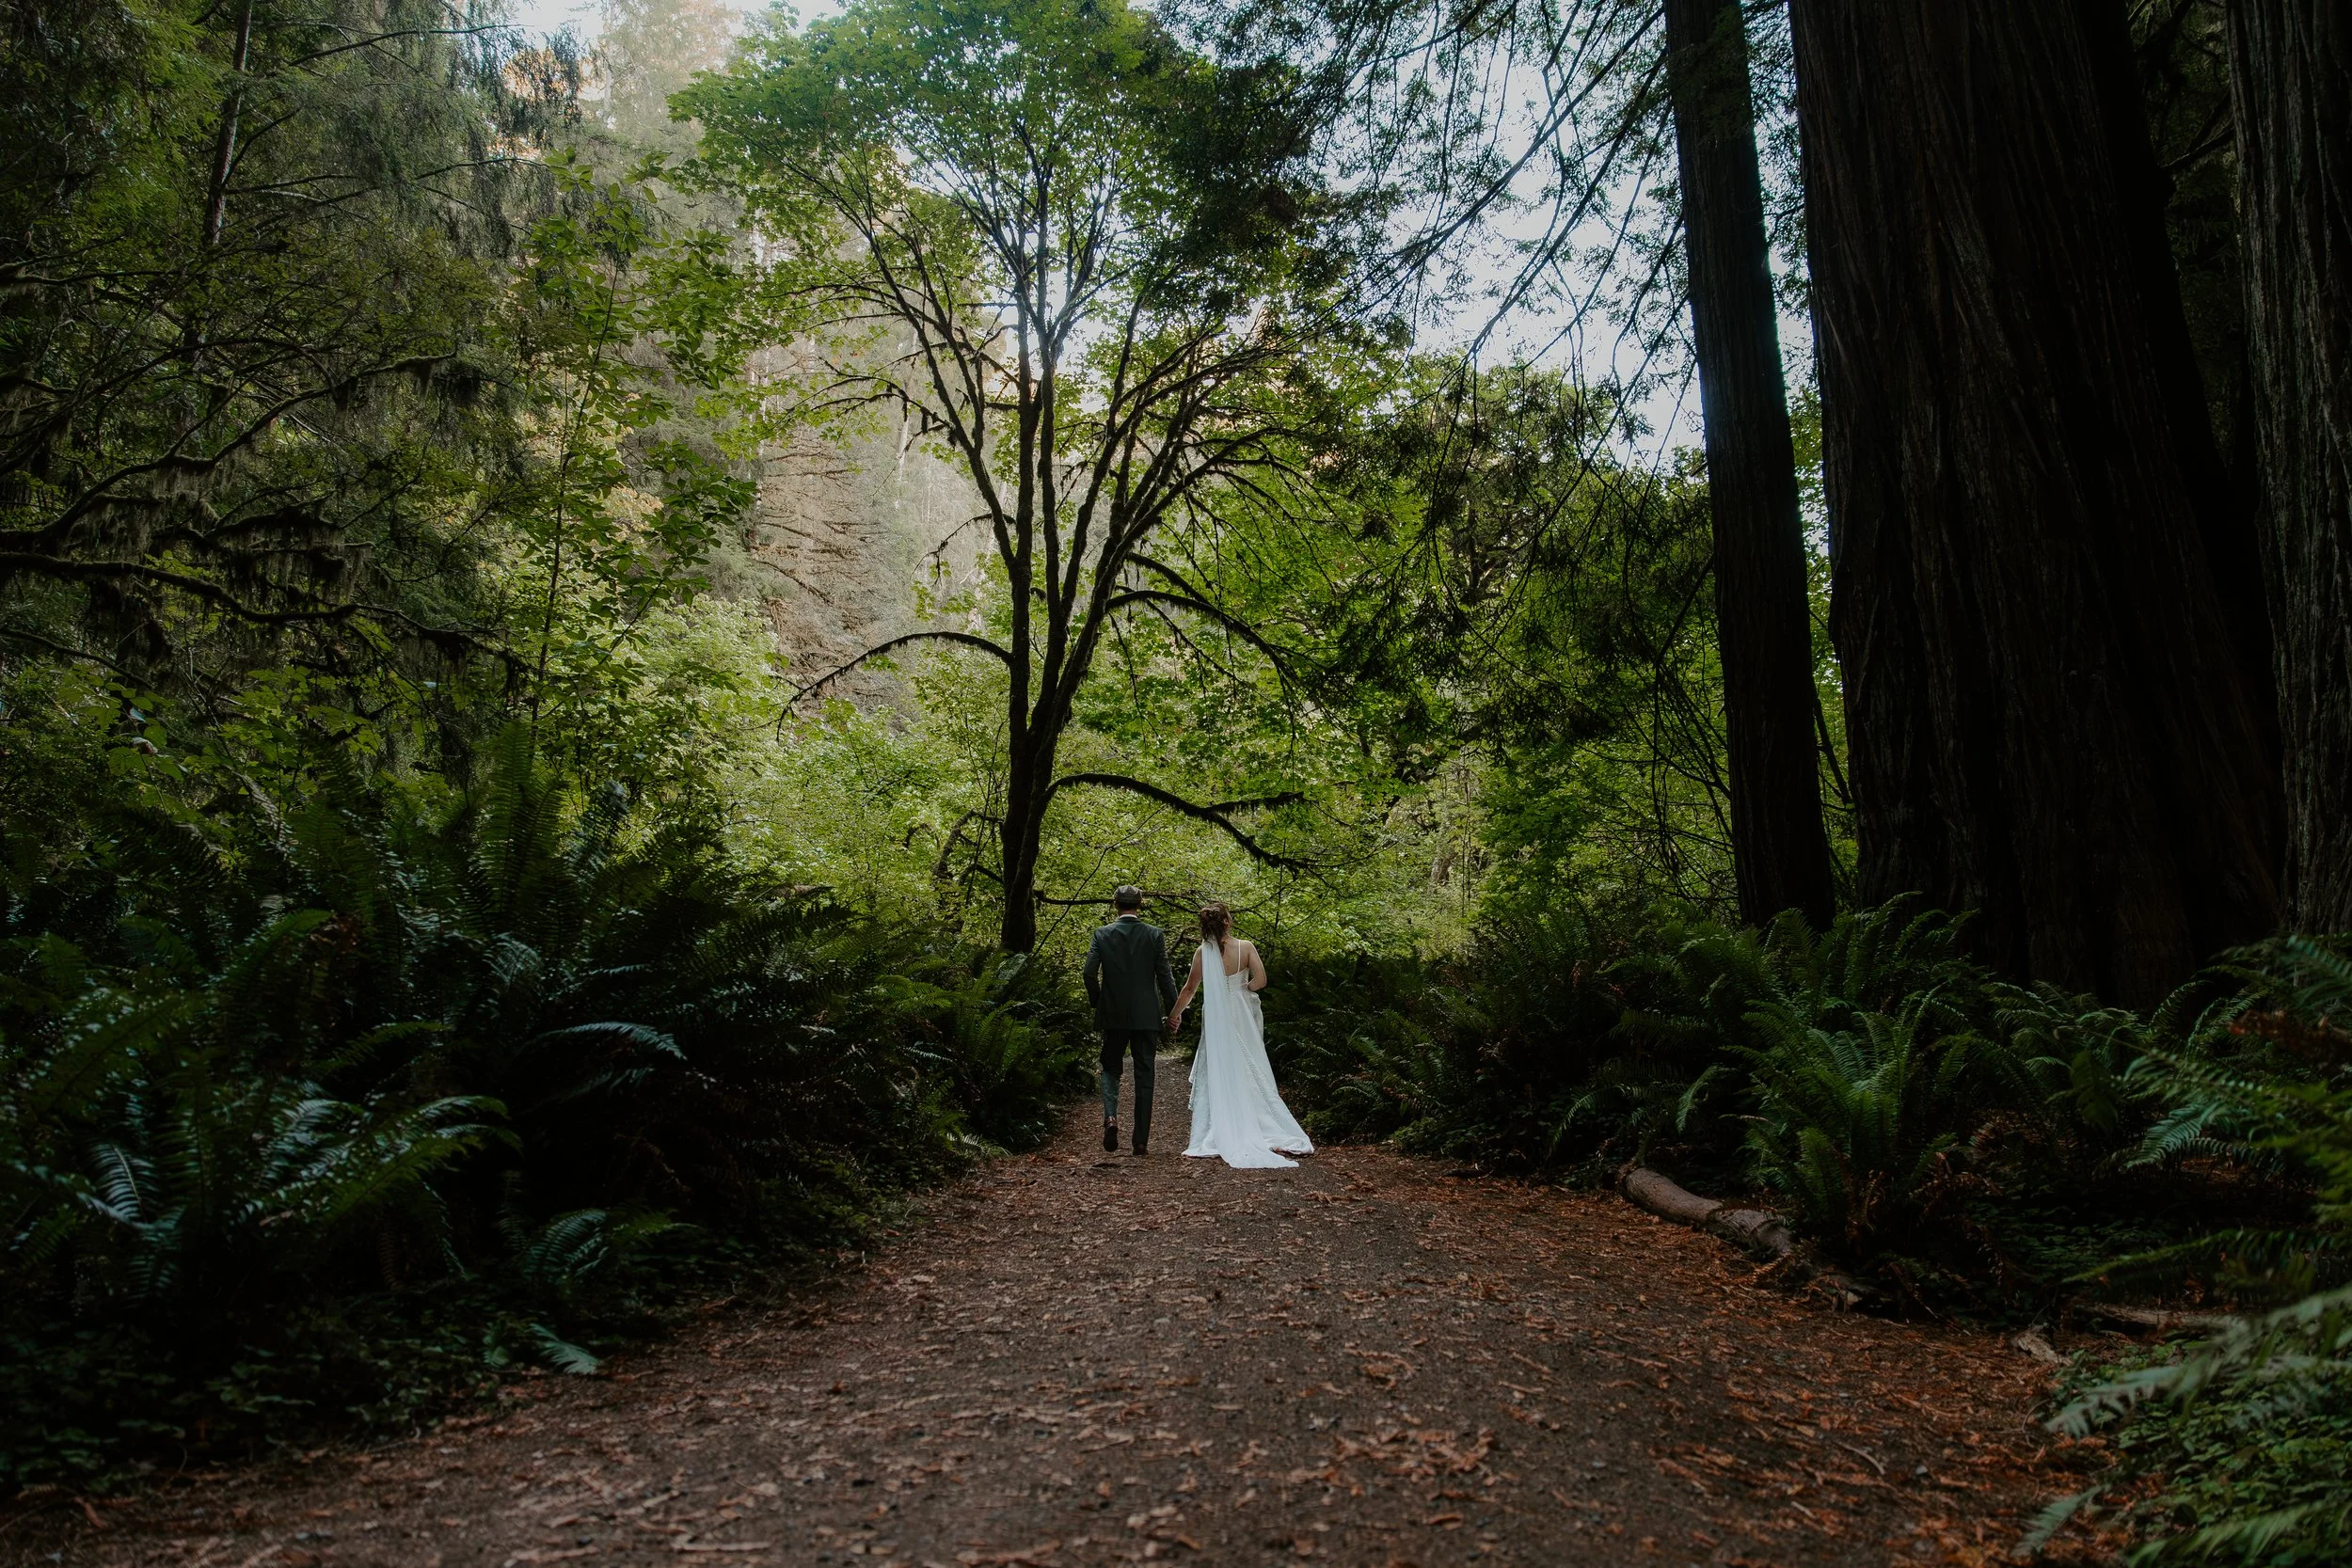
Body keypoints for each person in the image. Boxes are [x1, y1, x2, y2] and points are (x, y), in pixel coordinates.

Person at [1168, 902, 1313, 1169]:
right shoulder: (1245, 947)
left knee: (1222, 1067)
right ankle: (1262, 1123)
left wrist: (1174, 1015)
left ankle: (1223, 1124)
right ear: (1227, 922)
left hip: (1216, 1017)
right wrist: (1245, 989)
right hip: (1241, 1012)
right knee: (1250, 1064)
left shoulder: (1203, 952)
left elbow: (1189, 989)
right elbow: (1261, 980)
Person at [1082, 884, 1178, 1155]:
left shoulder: (1101, 934)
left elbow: (1089, 973)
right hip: (1146, 1015)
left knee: (1110, 1067)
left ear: (1116, 905)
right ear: (1140, 904)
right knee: (1145, 1074)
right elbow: (1164, 975)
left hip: (1112, 1014)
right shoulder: (1154, 935)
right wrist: (1174, 1010)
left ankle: (1111, 1117)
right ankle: (1140, 1141)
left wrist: (1098, 1001)